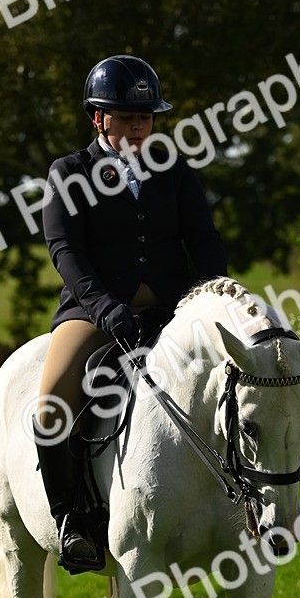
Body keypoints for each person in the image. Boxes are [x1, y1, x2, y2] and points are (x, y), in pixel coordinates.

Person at [34, 54, 228, 572]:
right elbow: (64, 252)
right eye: (127, 117)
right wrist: (103, 307)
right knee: (51, 406)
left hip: (173, 311)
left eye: (146, 118)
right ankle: (73, 519)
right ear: (98, 118)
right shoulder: (68, 173)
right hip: (94, 314)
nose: (140, 127)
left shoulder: (174, 169)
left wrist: (211, 295)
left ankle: (242, 503)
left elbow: (204, 241)